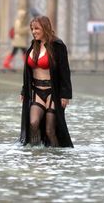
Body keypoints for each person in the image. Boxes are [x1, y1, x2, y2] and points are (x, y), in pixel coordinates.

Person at [19, 16, 73, 147]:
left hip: (53, 93)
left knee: (50, 130)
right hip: (36, 91)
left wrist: (65, 95)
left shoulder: (58, 46)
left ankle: (54, 157)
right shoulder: (33, 45)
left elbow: (65, 71)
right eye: (32, 29)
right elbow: (27, 72)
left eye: (37, 28)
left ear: (45, 28)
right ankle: (36, 155)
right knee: (33, 123)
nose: (34, 31)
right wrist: (24, 90)